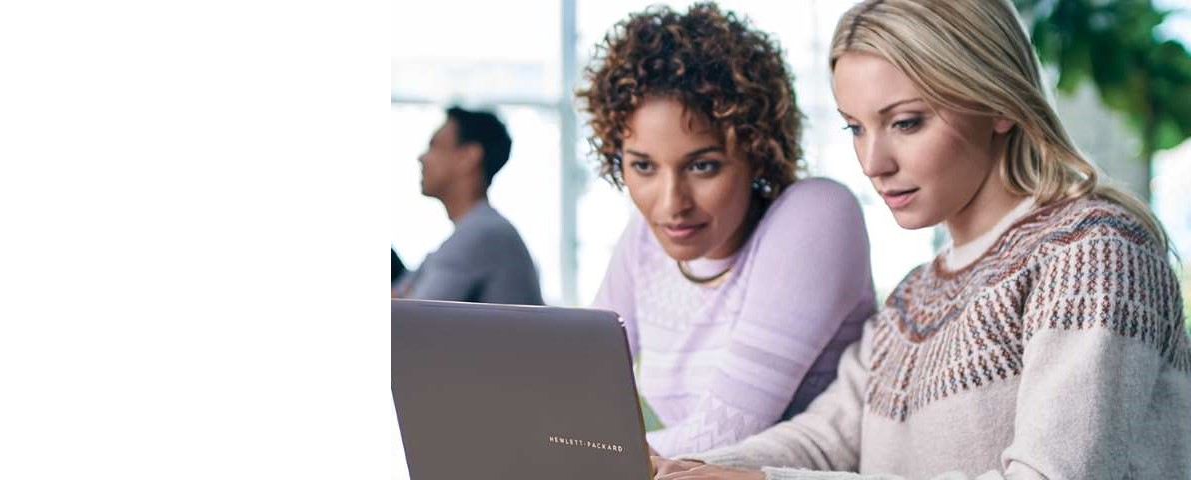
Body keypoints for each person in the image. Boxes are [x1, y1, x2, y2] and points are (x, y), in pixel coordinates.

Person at [650, 1, 1191, 478]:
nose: (872, 163)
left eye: (906, 122)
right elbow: (827, 439)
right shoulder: (912, 298)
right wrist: (683, 470)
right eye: (855, 128)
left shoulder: (1092, 255)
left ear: (999, 102)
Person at [578, 2, 876, 456]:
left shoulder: (816, 215)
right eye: (642, 166)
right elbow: (575, 393)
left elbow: (720, 439)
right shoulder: (644, 239)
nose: (670, 203)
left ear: (758, 150)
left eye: (702, 166)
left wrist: (569, 449)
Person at [394, 106, 543, 305]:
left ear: (468, 157)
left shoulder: (484, 233)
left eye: (434, 145)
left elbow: (406, 318)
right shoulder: (478, 231)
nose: (421, 158)